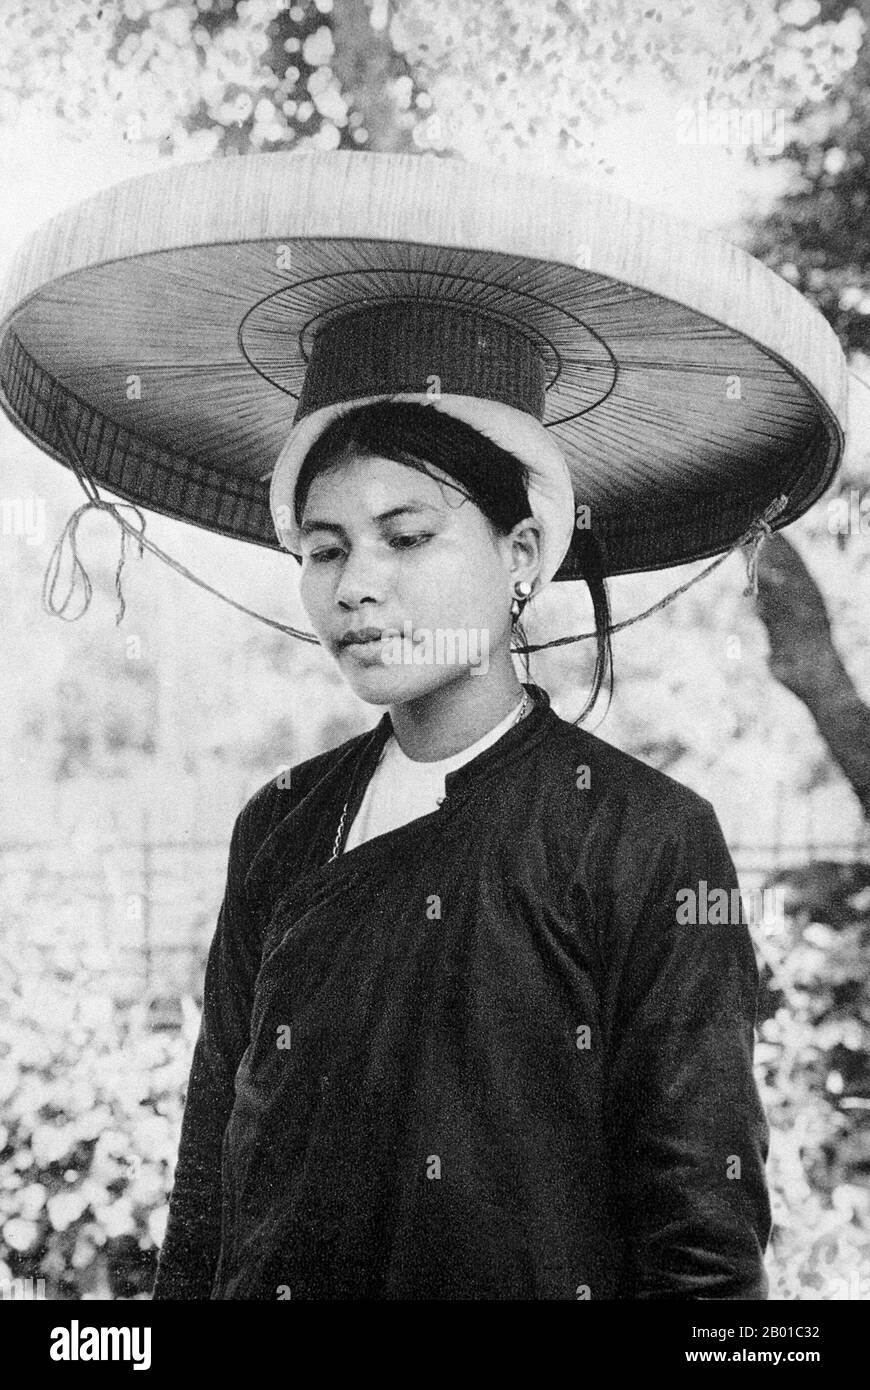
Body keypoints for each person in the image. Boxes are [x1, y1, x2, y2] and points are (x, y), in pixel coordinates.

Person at [152, 397, 771, 1301]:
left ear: (519, 555)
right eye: (325, 551)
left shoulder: (643, 835)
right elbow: (212, 1163)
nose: (356, 586)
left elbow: (702, 1237)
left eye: (406, 539)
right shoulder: (283, 825)